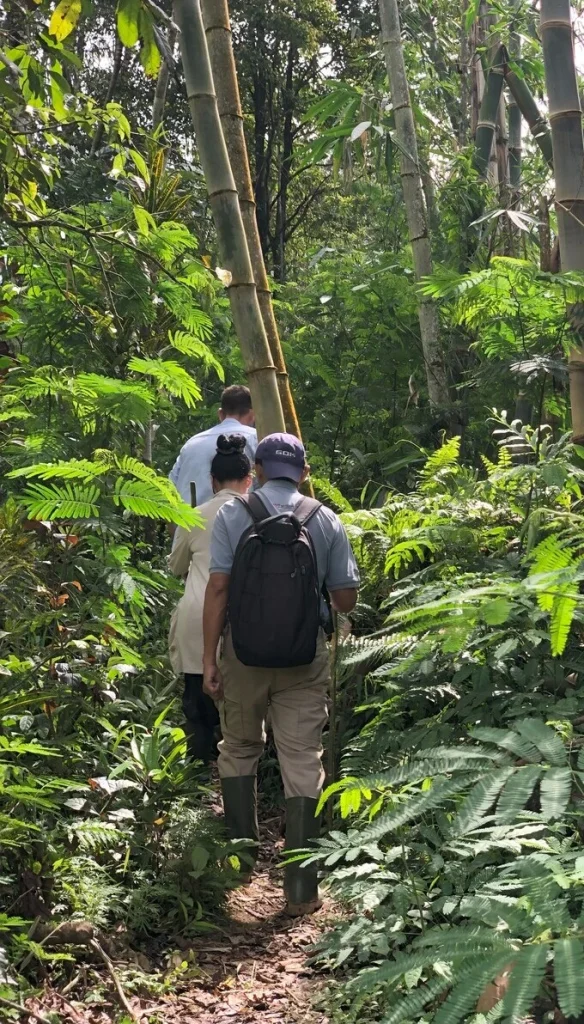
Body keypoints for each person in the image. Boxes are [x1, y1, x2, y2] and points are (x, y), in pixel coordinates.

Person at [202, 433, 359, 916]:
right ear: (304, 471)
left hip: (243, 657)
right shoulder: (324, 518)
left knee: (240, 747)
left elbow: (219, 589)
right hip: (303, 659)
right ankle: (300, 888)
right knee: (301, 759)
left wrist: (209, 660)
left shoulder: (233, 513)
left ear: (260, 469)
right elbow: (345, 597)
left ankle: (240, 865)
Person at [168, 435, 252, 765]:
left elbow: (176, 567)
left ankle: (199, 786)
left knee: (197, 711)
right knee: (245, 714)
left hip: (197, 621)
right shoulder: (260, 514)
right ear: (250, 479)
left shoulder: (195, 516)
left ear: (212, 481)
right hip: (245, 622)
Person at [169, 385, 256, 507]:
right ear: (253, 414)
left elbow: (169, 489)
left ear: (220, 414)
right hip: (238, 522)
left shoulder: (191, 443)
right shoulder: (256, 439)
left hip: (188, 522)